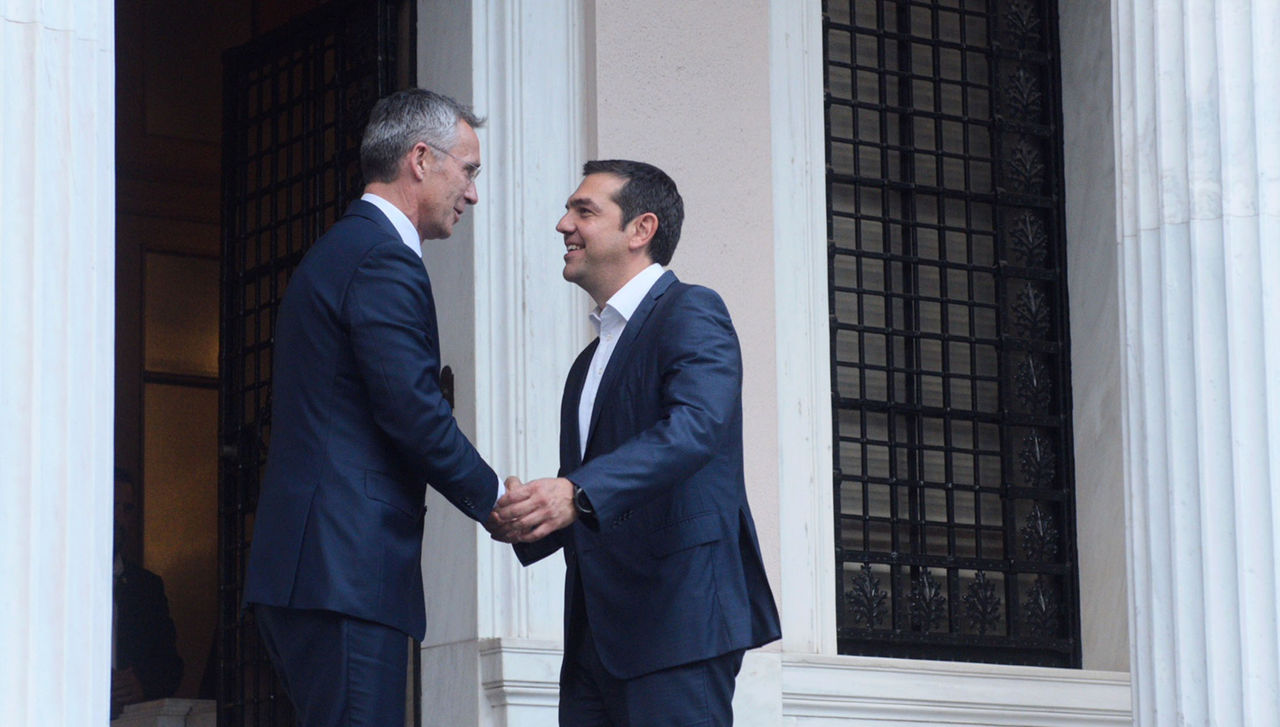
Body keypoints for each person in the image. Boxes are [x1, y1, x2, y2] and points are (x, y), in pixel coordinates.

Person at [242, 89, 502, 727]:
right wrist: (496, 499)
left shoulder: (344, 248)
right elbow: (411, 409)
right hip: (344, 572)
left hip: (322, 570)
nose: (471, 193)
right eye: (468, 171)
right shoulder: (382, 257)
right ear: (420, 159)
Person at [492, 160, 781, 725]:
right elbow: (594, 490)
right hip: (595, 639)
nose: (562, 225)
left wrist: (572, 494)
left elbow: (696, 427)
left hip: (678, 623)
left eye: (584, 211)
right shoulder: (588, 362)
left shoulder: (693, 310)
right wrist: (534, 517)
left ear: (640, 229)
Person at [112, 468, 183, 718]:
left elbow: (171, 667)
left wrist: (141, 683)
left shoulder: (147, 587)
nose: (119, 517)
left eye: (127, 509)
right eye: (113, 505)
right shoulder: (56, 578)